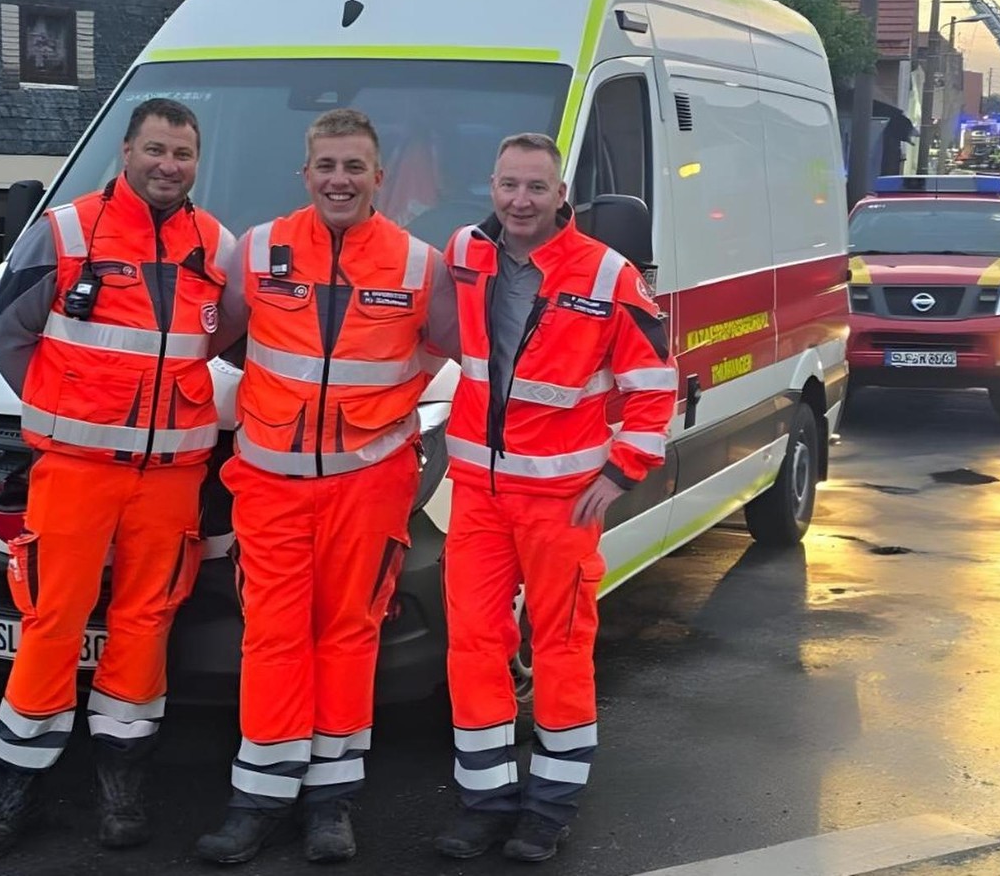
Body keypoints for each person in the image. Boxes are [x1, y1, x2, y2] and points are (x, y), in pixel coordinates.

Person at [0, 98, 242, 860]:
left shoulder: (215, 247)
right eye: (155, 149)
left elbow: (223, 344)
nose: (168, 166)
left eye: (182, 154)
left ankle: (121, 790)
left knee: (145, 625)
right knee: (52, 622)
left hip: (170, 481)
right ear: (125, 152)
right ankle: (9, 796)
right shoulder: (65, 233)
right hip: (76, 473)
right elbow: (6, 337)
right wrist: (65, 413)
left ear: (196, 163)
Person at [194, 108, 460, 865]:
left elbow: (459, 348)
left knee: (348, 640)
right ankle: (259, 801)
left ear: (379, 177)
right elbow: (216, 335)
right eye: (326, 166)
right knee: (273, 638)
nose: (339, 180)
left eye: (355, 167)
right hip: (271, 484)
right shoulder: (259, 251)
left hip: (368, 486)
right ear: (304, 175)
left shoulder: (419, 264)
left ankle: (331, 806)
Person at [431, 133, 677, 862]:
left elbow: (654, 387)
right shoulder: (466, 253)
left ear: (562, 194)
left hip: (563, 502)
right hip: (477, 493)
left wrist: (620, 473)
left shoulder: (608, 275)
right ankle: (485, 801)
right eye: (509, 185)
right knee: (474, 647)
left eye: (536, 187)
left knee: (563, 649)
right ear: (493, 185)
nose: (520, 201)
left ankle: (549, 807)